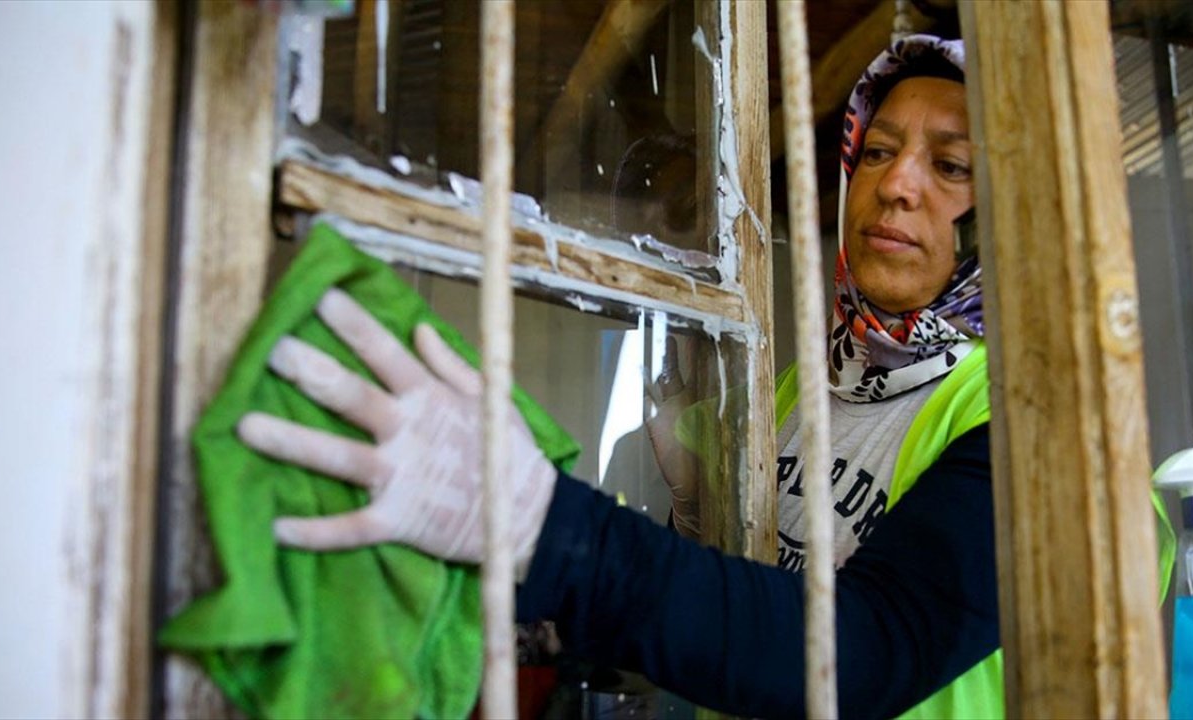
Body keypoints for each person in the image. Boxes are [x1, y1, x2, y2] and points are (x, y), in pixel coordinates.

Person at [238, 35, 1001, 719]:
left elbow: (867, 652)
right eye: (877, 151)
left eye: (952, 165)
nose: (897, 183)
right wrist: (696, 507)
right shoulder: (813, 383)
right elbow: (742, 615)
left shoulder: (1010, 416)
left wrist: (546, 527)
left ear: (1006, 208)